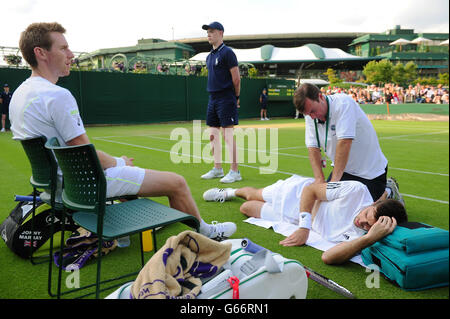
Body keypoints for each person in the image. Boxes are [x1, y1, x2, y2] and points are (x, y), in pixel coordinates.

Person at [9, 22, 236, 241]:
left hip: (53, 187)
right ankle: (204, 235)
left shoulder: (19, 95)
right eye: (63, 48)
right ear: (41, 53)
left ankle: (142, 221)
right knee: (176, 183)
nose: (71, 54)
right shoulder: (56, 95)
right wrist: (120, 162)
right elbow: (84, 154)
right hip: (81, 188)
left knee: (128, 172)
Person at [202, 175, 407, 265]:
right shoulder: (356, 190)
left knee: (246, 208)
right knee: (252, 195)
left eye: (367, 227)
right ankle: (229, 191)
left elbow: (328, 257)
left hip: (293, 220)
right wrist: (304, 227)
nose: (361, 224)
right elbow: (311, 191)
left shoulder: (366, 235)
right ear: (372, 205)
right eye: (366, 217)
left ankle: (389, 190)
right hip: (297, 195)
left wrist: (368, 238)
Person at [293, 83, 390, 202]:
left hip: (370, 173)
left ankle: (388, 191)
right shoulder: (310, 116)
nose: (312, 117)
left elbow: (344, 143)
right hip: (344, 171)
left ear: (321, 97)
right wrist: (319, 180)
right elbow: (312, 148)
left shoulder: (343, 104)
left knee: (362, 216)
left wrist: (333, 184)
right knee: (323, 206)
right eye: (308, 114)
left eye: (313, 111)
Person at [200, 21, 242, 183]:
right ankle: (217, 169)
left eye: (212, 31)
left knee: (227, 135)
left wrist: (236, 97)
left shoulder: (228, 53)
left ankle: (235, 171)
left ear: (221, 33)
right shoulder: (209, 56)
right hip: (213, 98)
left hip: (226, 98)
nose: (209, 34)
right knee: (213, 135)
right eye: (207, 32)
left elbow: (236, 79)